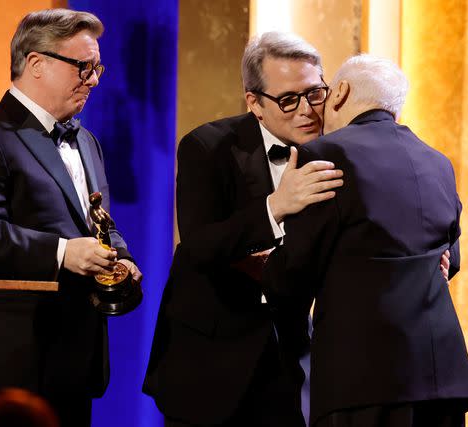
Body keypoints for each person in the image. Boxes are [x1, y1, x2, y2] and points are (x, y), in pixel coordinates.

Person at [0, 9, 141, 427]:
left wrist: (118, 254)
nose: (95, 79)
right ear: (36, 63)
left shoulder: (86, 140)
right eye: (83, 67)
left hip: (71, 361)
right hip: (3, 366)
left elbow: (98, 221)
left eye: (97, 67)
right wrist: (64, 252)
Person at [263, 54, 468, 427]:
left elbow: (297, 268)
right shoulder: (437, 161)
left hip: (363, 375)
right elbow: (450, 259)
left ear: (341, 92)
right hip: (441, 373)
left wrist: (266, 268)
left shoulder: (326, 155)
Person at [143, 32, 344, 427]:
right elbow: (200, 244)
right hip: (210, 359)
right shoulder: (207, 147)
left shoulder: (336, 151)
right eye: (288, 99)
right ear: (254, 102)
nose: (307, 110)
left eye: (315, 93)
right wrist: (276, 207)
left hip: (290, 358)